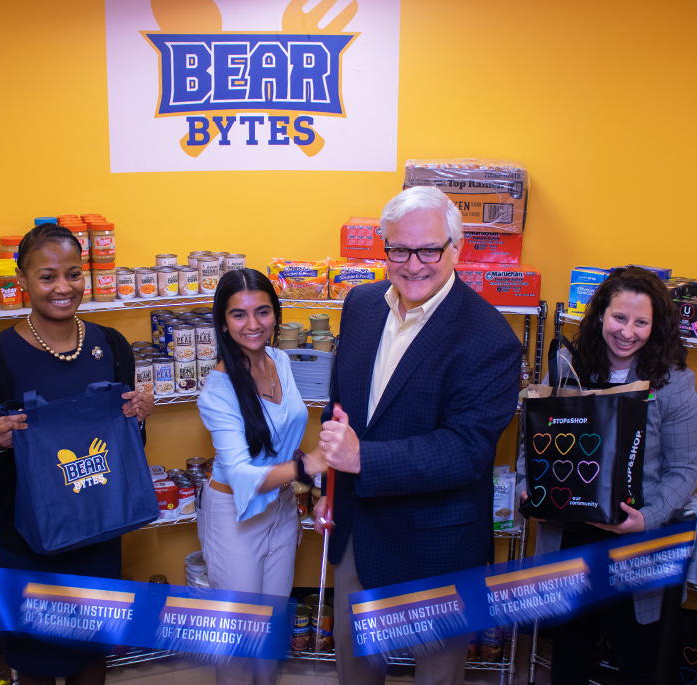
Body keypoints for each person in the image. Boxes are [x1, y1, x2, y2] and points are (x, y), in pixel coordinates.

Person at [314, 186, 522, 684]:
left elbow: (467, 449)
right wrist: (329, 489)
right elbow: (339, 406)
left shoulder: (492, 338)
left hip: (437, 544)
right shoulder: (361, 305)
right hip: (358, 532)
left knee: (437, 674)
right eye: (398, 249)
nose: (413, 264)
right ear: (382, 246)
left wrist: (363, 459)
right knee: (356, 668)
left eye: (429, 249)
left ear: (457, 247)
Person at [0, 224, 154, 685]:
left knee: (92, 653)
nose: (62, 288)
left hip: (97, 528)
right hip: (27, 541)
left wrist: (139, 419)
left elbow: (126, 449)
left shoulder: (111, 345)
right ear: (22, 281)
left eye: (72, 274)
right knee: (35, 662)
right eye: (47, 277)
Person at [525, 266, 697, 684]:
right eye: (619, 318)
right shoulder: (566, 368)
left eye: (641, 322)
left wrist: (649, 517)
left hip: (631, 544)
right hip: (568, 538)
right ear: (601, 315)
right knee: (568, 656)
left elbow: (686, 469)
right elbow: (531, 444)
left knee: (636, 657)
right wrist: (526, 487)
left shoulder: (674, 383)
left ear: (656, 326)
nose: (628, 332)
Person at [195, 268, 326, 685]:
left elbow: (286, 439)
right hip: (234, 517)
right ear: (223, 322)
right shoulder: (217, 391)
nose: (253, 325)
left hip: (281, 509)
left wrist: (307, 488)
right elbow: (241, 476)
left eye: (263, 311)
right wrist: (310, 466)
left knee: (270, 629)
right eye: (239, 315)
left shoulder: (280, 360)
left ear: (276, 314)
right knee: (238, 637)